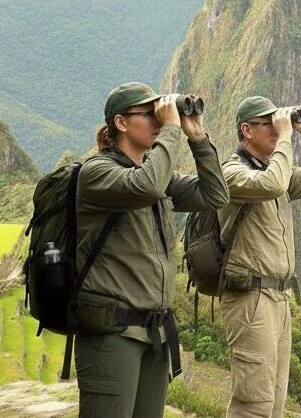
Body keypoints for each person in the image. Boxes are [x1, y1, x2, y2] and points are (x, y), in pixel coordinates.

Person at [75, 82, 230, 417]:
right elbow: (144, 186)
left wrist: (197, 137)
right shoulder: (97, 172)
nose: (158, 121)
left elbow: (215, 196)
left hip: (155, 332)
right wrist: (171, 129)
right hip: (113, 333)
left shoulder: (160, 178)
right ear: (121, 123)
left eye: (160, 113)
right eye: (149, 114)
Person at [218, 96, 301, 417]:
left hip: (279, 297)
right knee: (253, 400)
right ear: (246, 130)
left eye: (277, 121)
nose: (275, 127)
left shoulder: (275, 170)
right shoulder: (232, 172)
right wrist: (286, 137)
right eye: (267, 123)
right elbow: (271, 184)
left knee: (274, 401)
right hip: (250, 298)